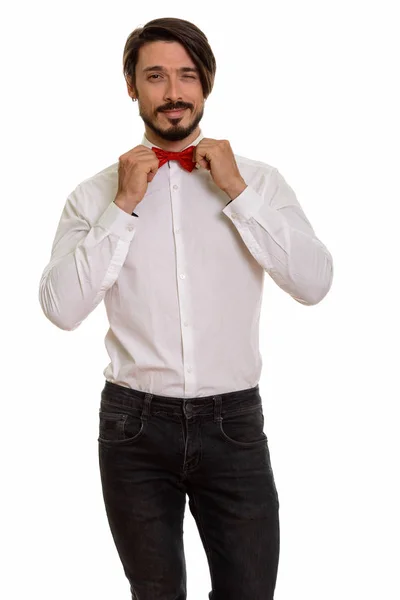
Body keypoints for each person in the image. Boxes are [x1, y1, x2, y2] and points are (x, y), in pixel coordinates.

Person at [38, 16, 333, 600]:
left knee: (250, 590)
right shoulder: (94, 195)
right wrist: (122, 206)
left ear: (206, 85)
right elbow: (61, 309)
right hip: (132, 426)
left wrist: (240, 195)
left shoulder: (261, 183)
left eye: (187, 76)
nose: (173, 93)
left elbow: (315, 283)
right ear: (132, 86)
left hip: (234, 423)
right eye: (155, 76)